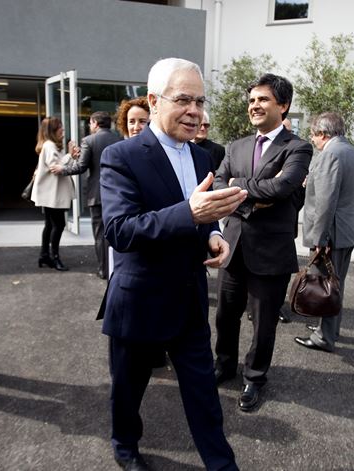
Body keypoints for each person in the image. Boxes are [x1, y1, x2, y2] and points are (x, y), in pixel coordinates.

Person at [99, 57, 246, 471]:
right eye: (183, 99)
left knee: (203, 394)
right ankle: (125, 447)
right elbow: (120, 230)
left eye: (199, 101)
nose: (195, 111)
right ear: (153, 100)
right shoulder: (121, 155)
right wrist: (191, 214)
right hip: (139, 299)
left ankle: (222, 465)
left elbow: (203, 215)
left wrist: (215, 234)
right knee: (128, 390)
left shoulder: (201, 158)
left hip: (189, 299)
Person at [212, 73, 312, 413]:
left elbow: (284, 189)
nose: (255, 105)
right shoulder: (236, 146)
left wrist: (238, 189)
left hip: (270, 251)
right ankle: (224, 365)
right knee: (225, 316)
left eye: (263, 99)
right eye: (252, 99)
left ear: (283, 106)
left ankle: (254, 377)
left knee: (264, 321)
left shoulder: (298, 147)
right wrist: (253, 194)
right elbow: (217, 187)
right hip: (233, 245)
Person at [293, 112, 354, 353]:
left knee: (326, 284)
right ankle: (331, 329)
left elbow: (326, 201)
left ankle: (325, 337)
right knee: (336, 282)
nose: (312, 140)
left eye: (313, 135)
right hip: (346, 229)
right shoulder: (351, 151)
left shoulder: (330, 154)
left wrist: (320, 239)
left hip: (332, 232)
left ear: (323, 134)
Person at [50, 111, 121, 279]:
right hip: (117, 194)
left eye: (90, 123)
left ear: (95, 123)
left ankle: (103, 270)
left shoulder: (89, 140)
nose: (90, 126)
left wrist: (63, 169)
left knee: (99, 234)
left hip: (97, 195)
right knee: (114, 233)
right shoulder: (119, 140)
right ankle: (114, 268)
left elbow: (81, 167)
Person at [31, 116, 75, 271]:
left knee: (49, 225)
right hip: (52, 195)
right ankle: (54, 257)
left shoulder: (49, 145)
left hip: (50, 194)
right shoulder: (50, 146)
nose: (63, 130)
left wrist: (69, 156)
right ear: (52, 131)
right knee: (59, 224)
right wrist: (70, 155)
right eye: (60, 127)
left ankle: (44, 255)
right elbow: (55, 168)